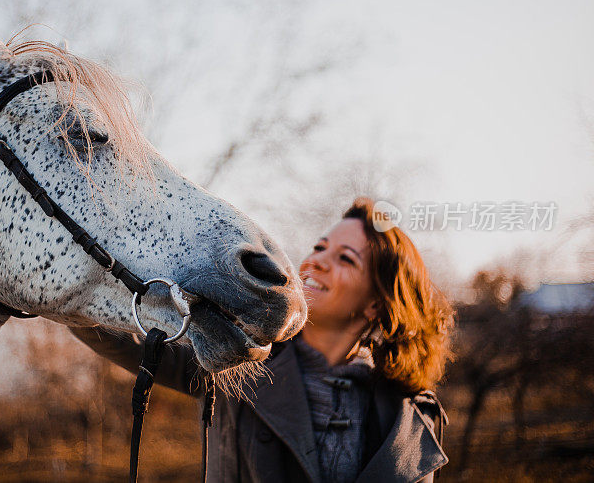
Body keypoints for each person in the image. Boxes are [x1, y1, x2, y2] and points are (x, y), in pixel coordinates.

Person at [71, 197, 454, 482]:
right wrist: (71, 281)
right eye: (320, 247)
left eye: (346, 259)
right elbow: (120, 336)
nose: (316, 261)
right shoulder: (239, 359)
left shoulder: (408, 418)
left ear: (374, 304)